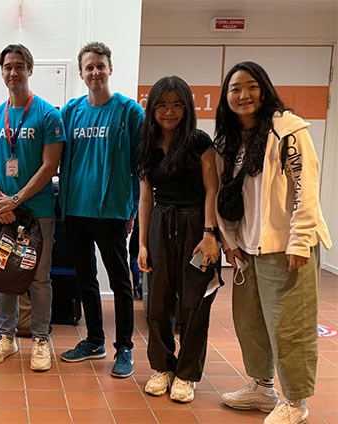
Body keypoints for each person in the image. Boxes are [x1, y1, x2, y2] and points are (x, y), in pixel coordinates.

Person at [215, 61, 331, 424]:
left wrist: (299, 240)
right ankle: (262, 387)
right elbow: (224, 196)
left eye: (251, 87)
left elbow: (305, 189)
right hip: (248, 247)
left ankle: (295, 401)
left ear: (263, 89)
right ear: (226, 97)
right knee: (250, 321)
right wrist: (230, 241)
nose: (243, 95)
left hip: (286, 247)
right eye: (235, 89)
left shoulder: (289, 131)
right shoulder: (230, 142)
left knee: (289, 324)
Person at [58, 42, 144, 378]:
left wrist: (133, 209)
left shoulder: (129, 111)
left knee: (121, 281)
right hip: (76, 209)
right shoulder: (71, 111)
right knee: (85, 278)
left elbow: (141, 165)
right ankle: (94, 340)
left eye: (100, 66)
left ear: (110, 69)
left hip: (112, 211)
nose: (95, 72)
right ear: (81, 73)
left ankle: (124, 348)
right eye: (89, 67)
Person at [0, 44, 65, 372]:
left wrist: (17, 199)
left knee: (38, 278)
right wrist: (0, 200)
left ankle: (41, 339)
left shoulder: (47, 114)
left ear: (29, 69)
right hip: (2, 215)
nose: (13, 72)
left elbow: (49, 165)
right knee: (4, 277)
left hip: (37, 213)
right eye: (7, 67)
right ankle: (6, 337)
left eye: (19, 66)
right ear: (1, 72)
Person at [136, 76, 220, 403]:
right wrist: (143, 243)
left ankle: (187, 374)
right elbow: (145, 197)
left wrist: (210, 233)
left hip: (196, 224)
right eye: (162, 104)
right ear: (152, 108)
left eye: (176, 104)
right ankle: (162, 368)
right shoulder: (146, 144)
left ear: (186, 107)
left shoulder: (199, 141)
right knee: (157, 301)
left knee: (194, 303)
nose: (169, 111)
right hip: (160, 223)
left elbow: (212, 188)